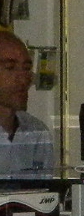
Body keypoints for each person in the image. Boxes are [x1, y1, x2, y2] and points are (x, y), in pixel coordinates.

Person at [0, 30, 54, 178]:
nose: (23, 78)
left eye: (26, 68)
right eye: (10, 68)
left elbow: (46, 189)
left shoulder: (37, 133)